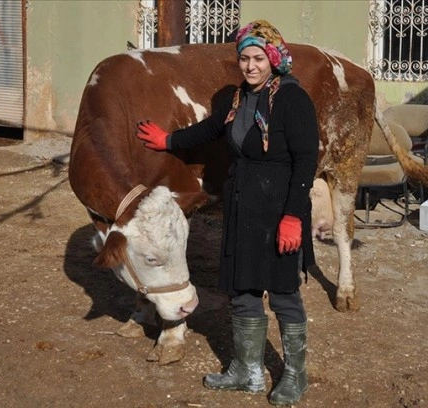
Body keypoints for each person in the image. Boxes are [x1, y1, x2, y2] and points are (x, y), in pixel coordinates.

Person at [136, 20, 318, 406]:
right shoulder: (238, 99)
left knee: (283, 293)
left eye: (257, 58)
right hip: (243, 205)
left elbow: (305, 162)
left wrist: (292, 217)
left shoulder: (291, 99)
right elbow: (209, 130)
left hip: (280, 205)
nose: (250, 66)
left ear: (273, 58)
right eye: (244, 59)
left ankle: (296, 374)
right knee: (242, 289)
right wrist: (167, 140)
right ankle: (248, 371)